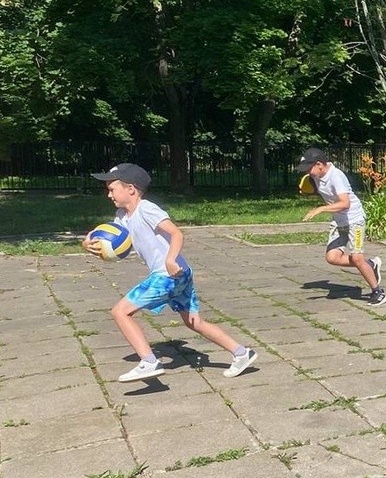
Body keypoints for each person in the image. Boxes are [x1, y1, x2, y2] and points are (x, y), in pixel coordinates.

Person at [82, 163, 257, 382]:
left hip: (167, 274)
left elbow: (176, 234)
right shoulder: (122, 216)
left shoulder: (147, 209)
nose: (108, 194)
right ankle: (242, 353)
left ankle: (149, 361)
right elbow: (111, 238)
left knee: (120, 312)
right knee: (194, 322)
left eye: (112, 189)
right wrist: (88, 243)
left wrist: (170, 258)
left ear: (131, 189)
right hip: (181, 274)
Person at [298, 148, 386, 306]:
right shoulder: (317, 175)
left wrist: (321, 208)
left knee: (357, 258)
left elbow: (345, 203)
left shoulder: (336, 176)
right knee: (332, 258)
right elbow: (313, 186)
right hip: (339, 222)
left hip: (354, 221)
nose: (308, 172)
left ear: (319, 164)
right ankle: (371, 265)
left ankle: (378, 292)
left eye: (308, 168)